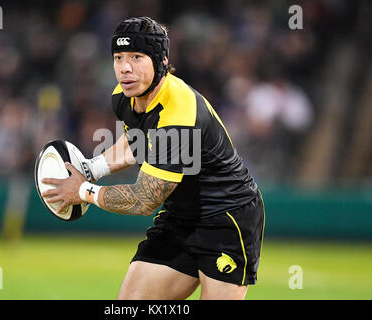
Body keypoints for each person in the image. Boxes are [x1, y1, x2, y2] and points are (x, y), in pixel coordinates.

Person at [41, 16, 265, 300]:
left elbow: (144, 199)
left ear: (161, 61)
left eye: (136, 57)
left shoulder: (178, 113)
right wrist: (91, 168)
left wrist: (83, 190)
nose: (124, 68)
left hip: (226, 217)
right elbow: (139, 143)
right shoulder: (125, 96)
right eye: (118, 57)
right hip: (179, 218)